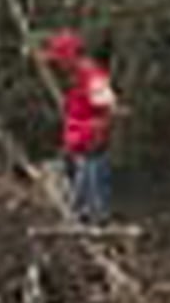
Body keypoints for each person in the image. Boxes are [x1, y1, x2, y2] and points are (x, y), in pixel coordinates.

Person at [43, 29, 121, 226]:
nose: (58, 65)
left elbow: (109, 109)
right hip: (80, 149)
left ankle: (98, 221)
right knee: (77, 194)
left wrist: (98, 134)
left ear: (70, 56)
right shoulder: (76, 78)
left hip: (92, 150)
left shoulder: (92, 77)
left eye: (60, 59)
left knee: (94, 193)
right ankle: (81, 217)